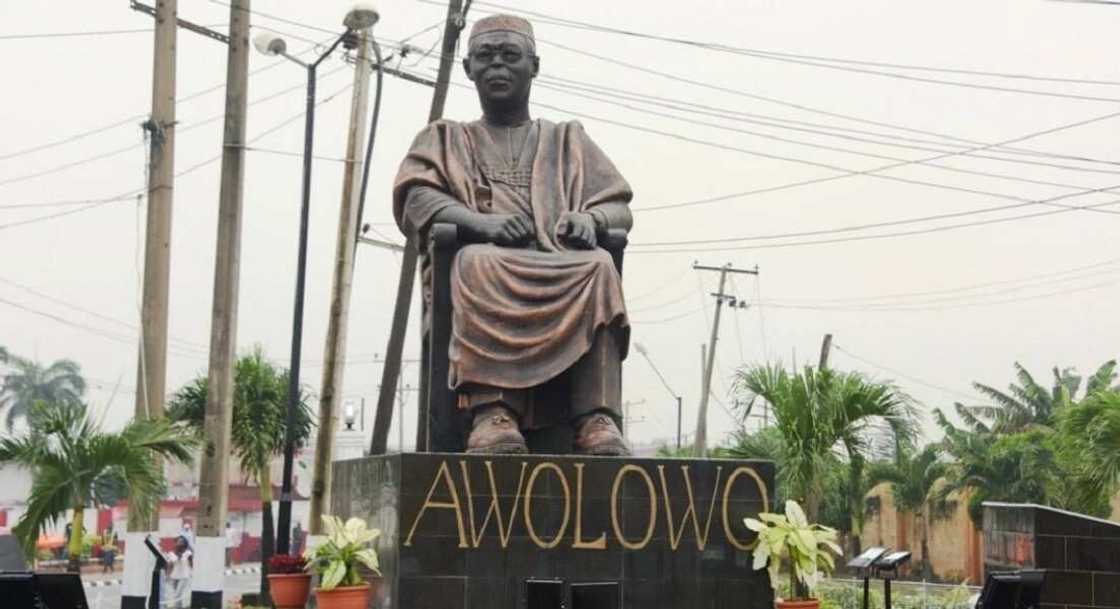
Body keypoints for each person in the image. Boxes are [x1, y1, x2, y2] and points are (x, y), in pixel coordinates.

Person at [393, 14, 633, 456]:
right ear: (468, 68)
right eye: (485, 57)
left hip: (560, 264)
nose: (497, 66)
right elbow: (416, 199)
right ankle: (492, 412)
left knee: (599, 265)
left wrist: (592, 220)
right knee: (475, 261)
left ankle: (596, 417)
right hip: (489, 268)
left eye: (510, 56)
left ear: (534, 66)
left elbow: (618, 205)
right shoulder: (445, 139)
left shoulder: (567, 141)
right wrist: (480, 224)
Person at [165, 536, 193, 609]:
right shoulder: (171, 553)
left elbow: (192, 564)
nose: (180, 543)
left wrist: (193, 573)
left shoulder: (188, 553)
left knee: (177, 594)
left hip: (184, 577)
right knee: (178, 595)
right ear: (176, 543)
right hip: (174, 577)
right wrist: (167, 575)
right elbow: (170, 565)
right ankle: (179, 607)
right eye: (179, 541)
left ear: (184, 543)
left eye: (182, 541)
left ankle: (176, 607)